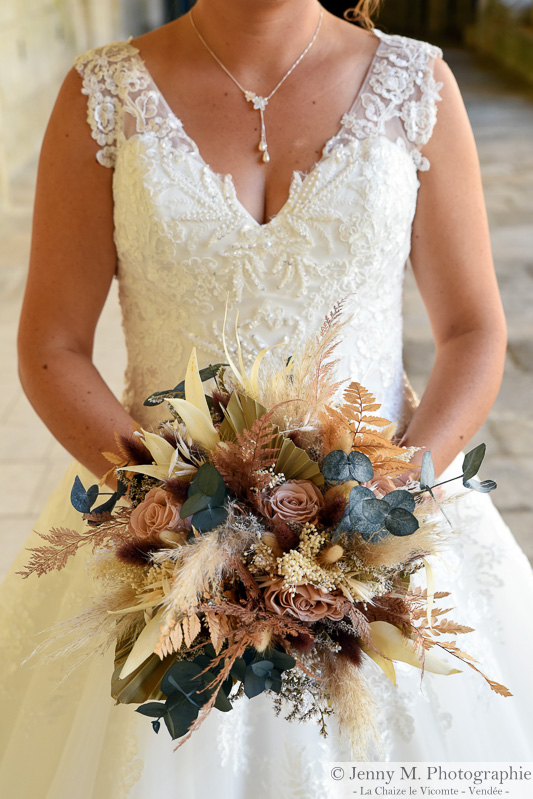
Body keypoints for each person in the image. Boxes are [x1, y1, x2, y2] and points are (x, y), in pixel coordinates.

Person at [1, 0, 532, 796]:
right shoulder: (101, 94)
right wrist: (168, 498)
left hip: (383, 517)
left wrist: (387, 497)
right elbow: (52, 346)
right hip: (162, 536)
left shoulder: (415, 82)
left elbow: (470, 330)